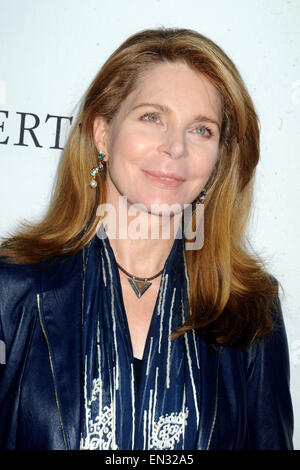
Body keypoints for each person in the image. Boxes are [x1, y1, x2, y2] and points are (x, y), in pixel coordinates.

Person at [0, 28, 294, 450]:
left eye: (202, 130)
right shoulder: (12, 289)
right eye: (152, 117)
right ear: (102, 132)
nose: (175, 147)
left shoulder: (249, 305)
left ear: (219, 159)